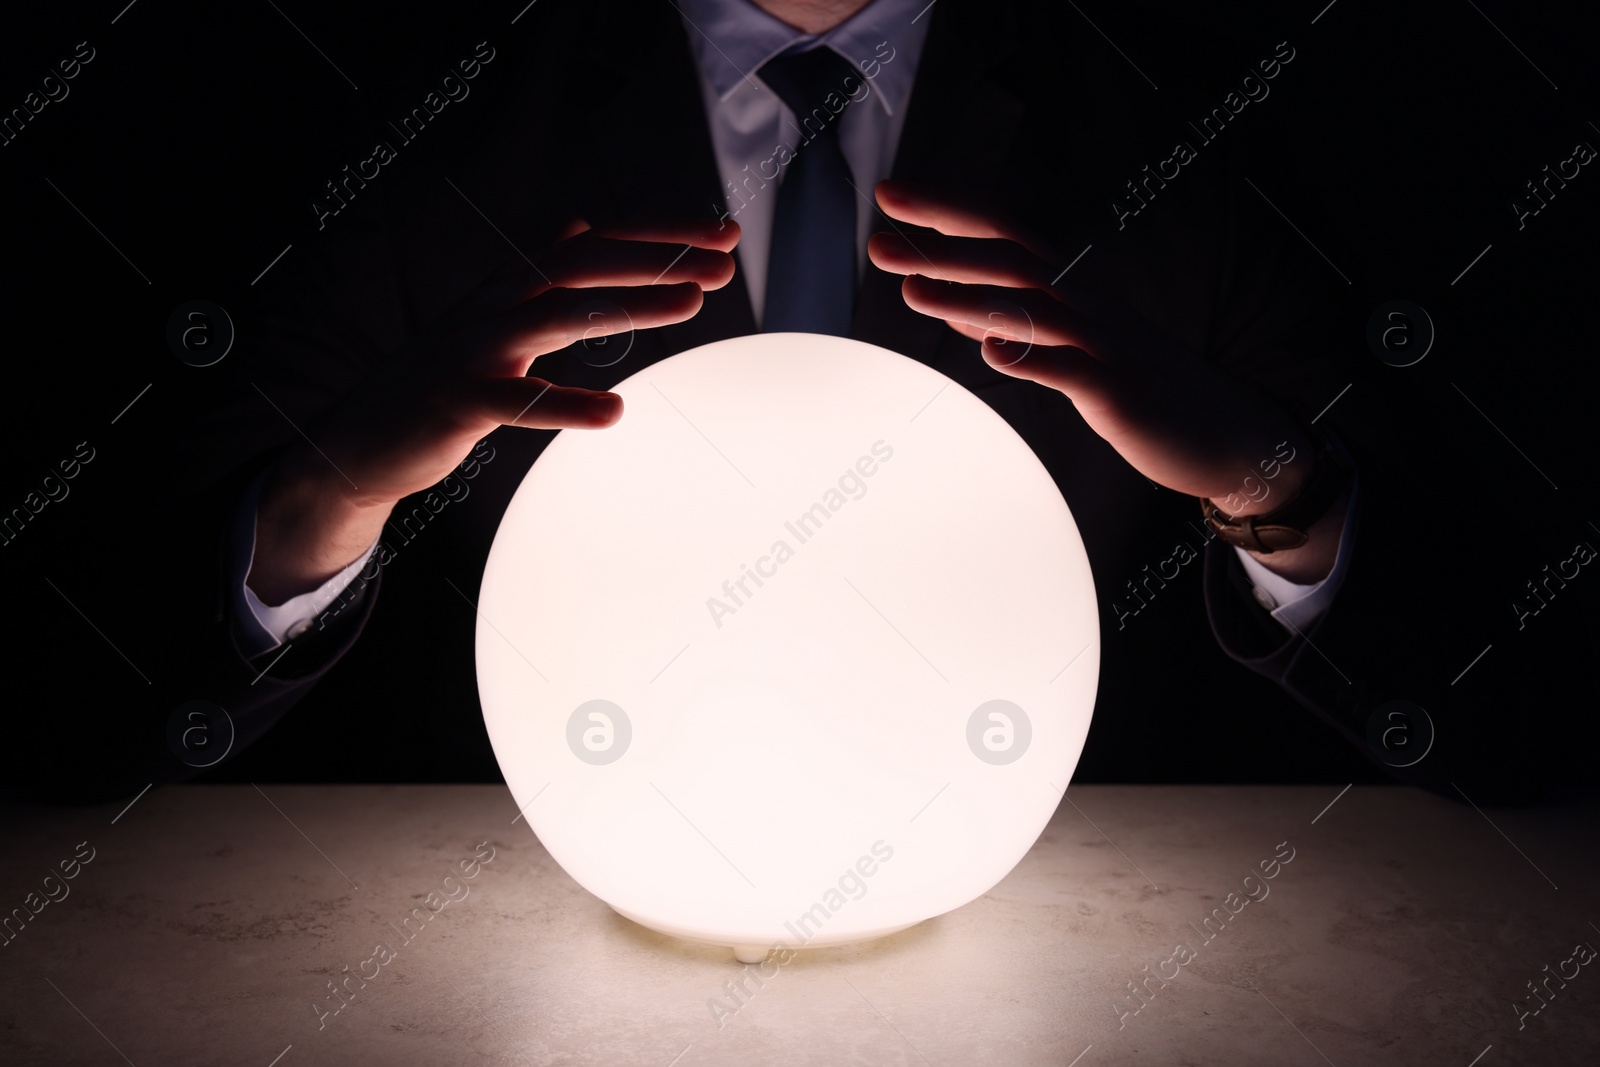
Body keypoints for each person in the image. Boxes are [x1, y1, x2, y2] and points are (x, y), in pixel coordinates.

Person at [20, 0, 1594, 803]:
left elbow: (1522, 723)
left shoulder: (1186, 120)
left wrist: (1282, 490)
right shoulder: (424, 123)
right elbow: (72, 706)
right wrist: (322, 499)